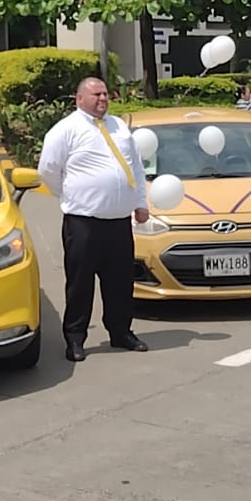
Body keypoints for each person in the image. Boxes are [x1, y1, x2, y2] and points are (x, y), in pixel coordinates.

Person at [37, 77, 150, 362]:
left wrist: (139, 203)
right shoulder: (65, 130)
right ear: (80, 99)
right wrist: (72, 196)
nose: (103, 99)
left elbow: (135, 167)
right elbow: (48, 170)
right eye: (96, 94)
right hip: (83, 222)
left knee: (120, 282)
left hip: (118, 222)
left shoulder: (119, 126)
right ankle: (75, 338)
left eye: (105, 94)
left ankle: (121, 332)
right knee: (80, 283)